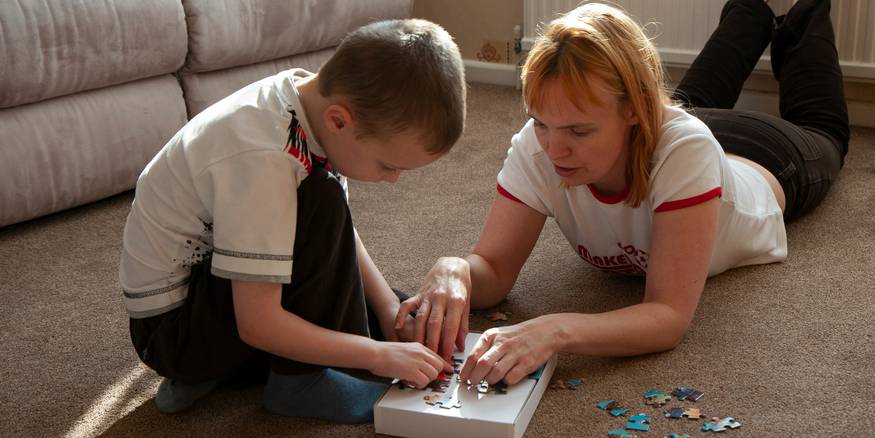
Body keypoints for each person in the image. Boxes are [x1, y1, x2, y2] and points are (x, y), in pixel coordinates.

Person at [395, 0, 848, 387]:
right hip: (657, 131)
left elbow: (667, 316)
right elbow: (493, 268)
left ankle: (805, 11)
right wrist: (453, 268)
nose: (554, 148)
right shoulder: (547, 142)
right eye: (541, 122)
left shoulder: (684, 148)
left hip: (763, 157)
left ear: (634, 110)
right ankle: (748, 10)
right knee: (687, 99)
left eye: (578, 129)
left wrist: (555, 330)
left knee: (825, 132)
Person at [119, 19, 465, 423]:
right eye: (389, 165)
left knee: (395, 312)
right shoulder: (266, 155)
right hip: (175, 335)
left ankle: (235, 374)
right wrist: (376, 354)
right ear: (340, 120)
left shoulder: (311, 104)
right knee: (324, 204)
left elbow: (338, 238)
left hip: (219, 296)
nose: (393, 179)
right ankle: (299, 384)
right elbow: (258, 324)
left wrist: (388, 309)